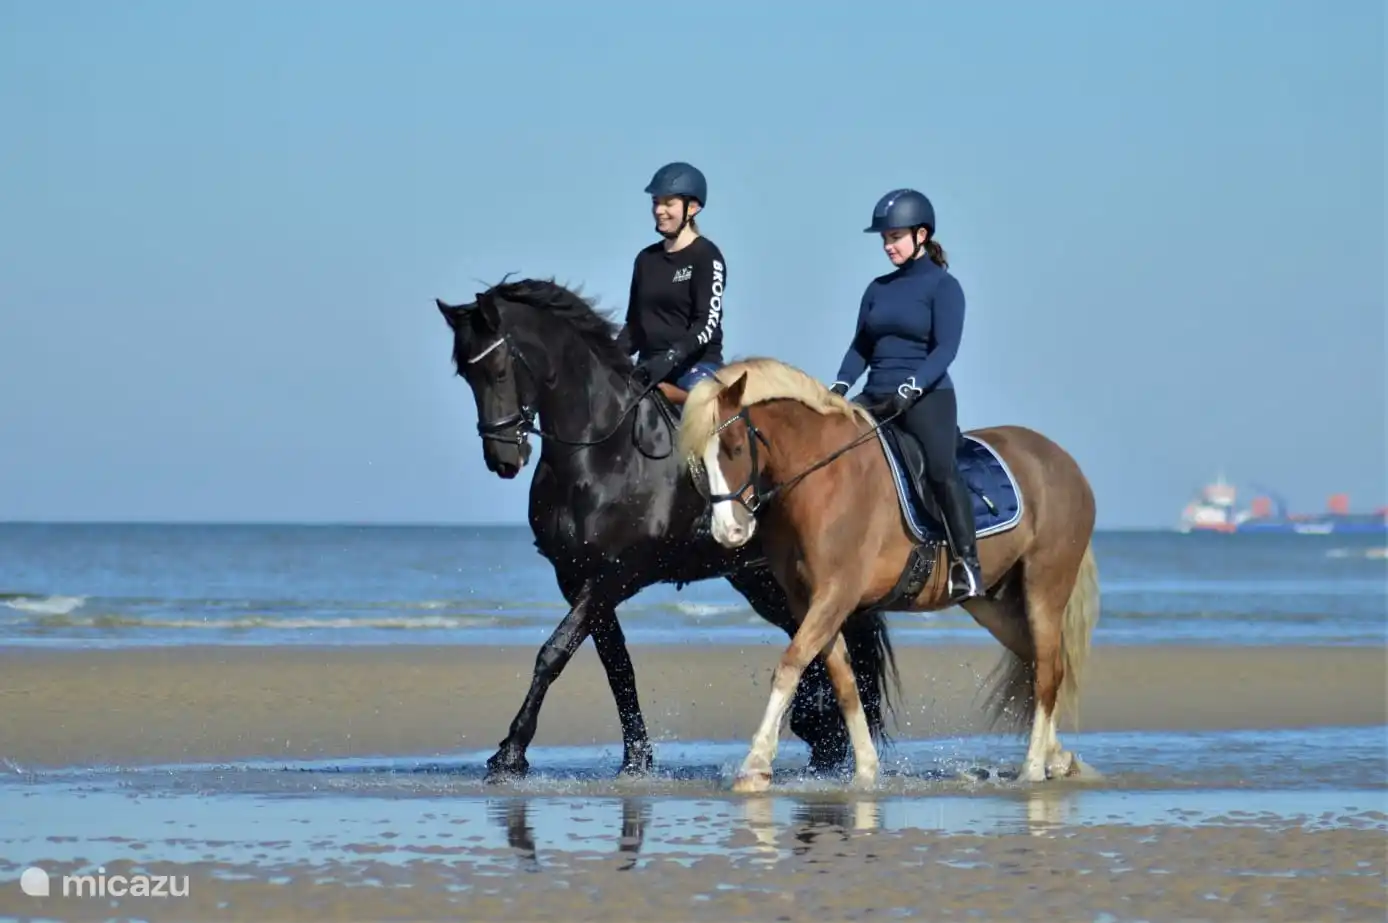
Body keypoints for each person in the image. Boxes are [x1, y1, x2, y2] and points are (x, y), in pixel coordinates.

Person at [828, 188, 983, 600]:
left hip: (927, 396)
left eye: (895, 237)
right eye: (884, 238)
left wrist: (911, 387)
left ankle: (968, 563)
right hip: (875, 395)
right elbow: (860, 345)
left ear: (921, 235)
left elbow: (945, 349)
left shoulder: (944, 287)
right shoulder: (877, 288)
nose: (887, 245)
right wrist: (840, 387)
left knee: (939, 469)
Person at [614, 162, 727, 396]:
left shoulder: (707, 256)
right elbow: (634, 325)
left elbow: (707, 323)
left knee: (705, 411)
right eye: (656, 202)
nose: (658, 210)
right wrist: (608, 357)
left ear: (692, 207)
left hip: (694, 368)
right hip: (648, 367)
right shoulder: (645, 260)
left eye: (668, 203)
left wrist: (670, 358)